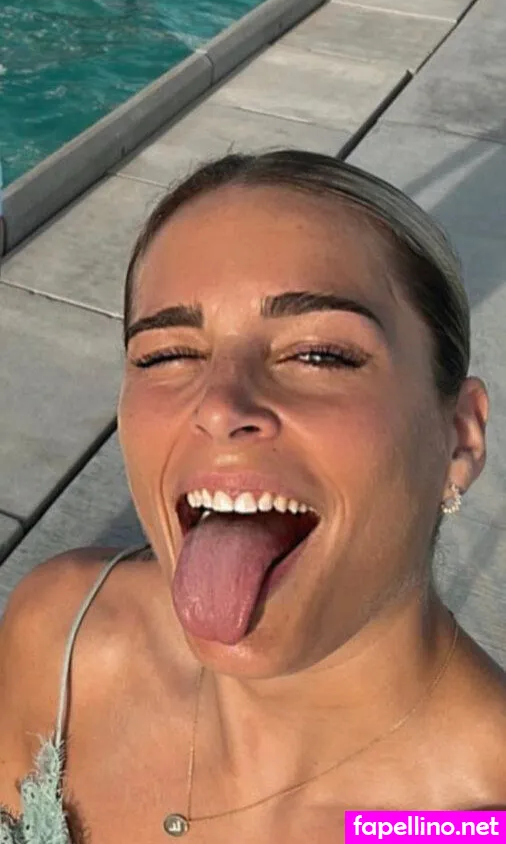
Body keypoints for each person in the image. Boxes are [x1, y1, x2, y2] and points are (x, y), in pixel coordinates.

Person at [0, 150, 504, 844]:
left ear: (459, 438)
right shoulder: (63, 638)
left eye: (319, 354)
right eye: (166, 354)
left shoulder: (476, 816)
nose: (218, 404)